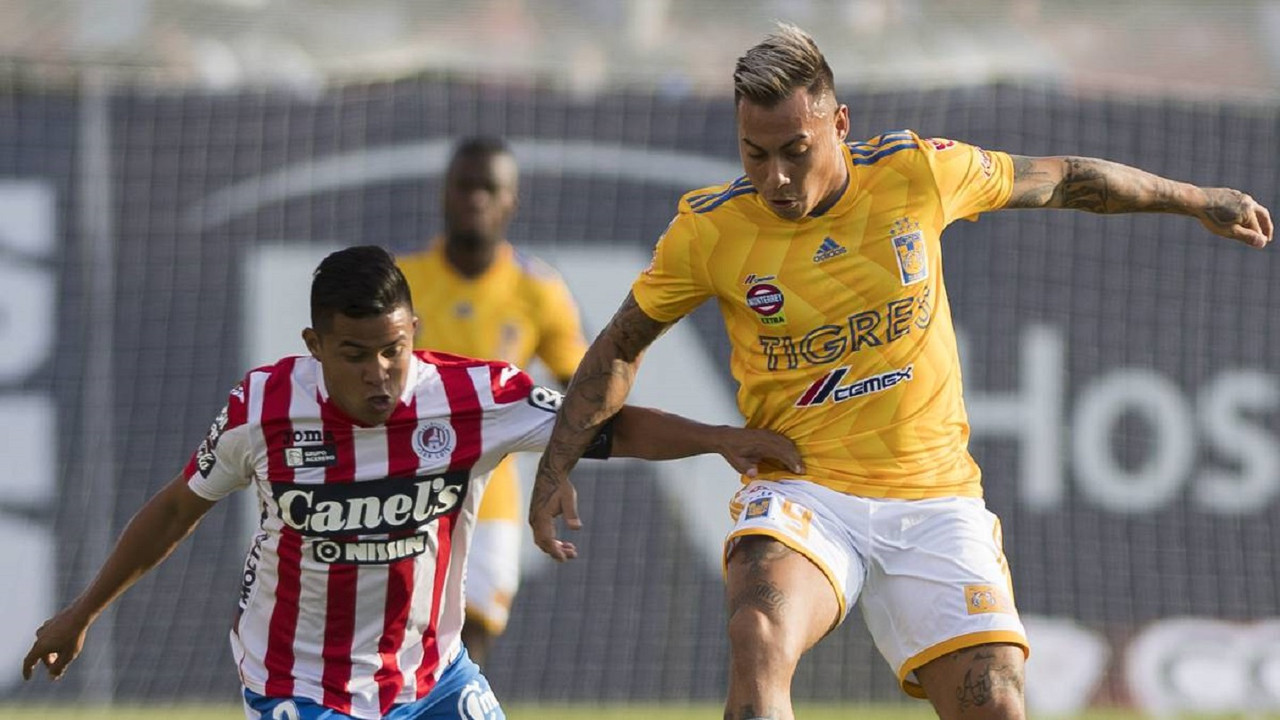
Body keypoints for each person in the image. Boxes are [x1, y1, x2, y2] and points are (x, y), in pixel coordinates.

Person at [527, 23, 1273, 720]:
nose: (777, 178)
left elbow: (1068, 179)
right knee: (758, 636)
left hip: (935, 498)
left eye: (796, 149)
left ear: (840, 125)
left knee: (997, 703)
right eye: (756, 155)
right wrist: (557, 462)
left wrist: (1199, 200)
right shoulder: (710, 231)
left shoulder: (919, 172)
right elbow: (619, 345)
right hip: (805, 489)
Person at [22, 245, 802, 720]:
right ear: (314, 346)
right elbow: (173, 509)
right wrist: (82, 611)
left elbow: (597, 424)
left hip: (431, 677)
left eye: (392, 349)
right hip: (302, 684)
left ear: (413, 336)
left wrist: (716, 438)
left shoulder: (469, 398)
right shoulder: (263, 408)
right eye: (354, 353)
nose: (378, 372)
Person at [397, 137, 587, 666]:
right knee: (397, 641)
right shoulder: (401, 281)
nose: (475, 198)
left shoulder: (537, 288)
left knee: (469, 638)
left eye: (490, 188)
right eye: (465, 185)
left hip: (490, 487)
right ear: (444, 195)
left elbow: (584, 386)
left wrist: (561, 459)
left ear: (511, 202)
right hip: (401, 484)